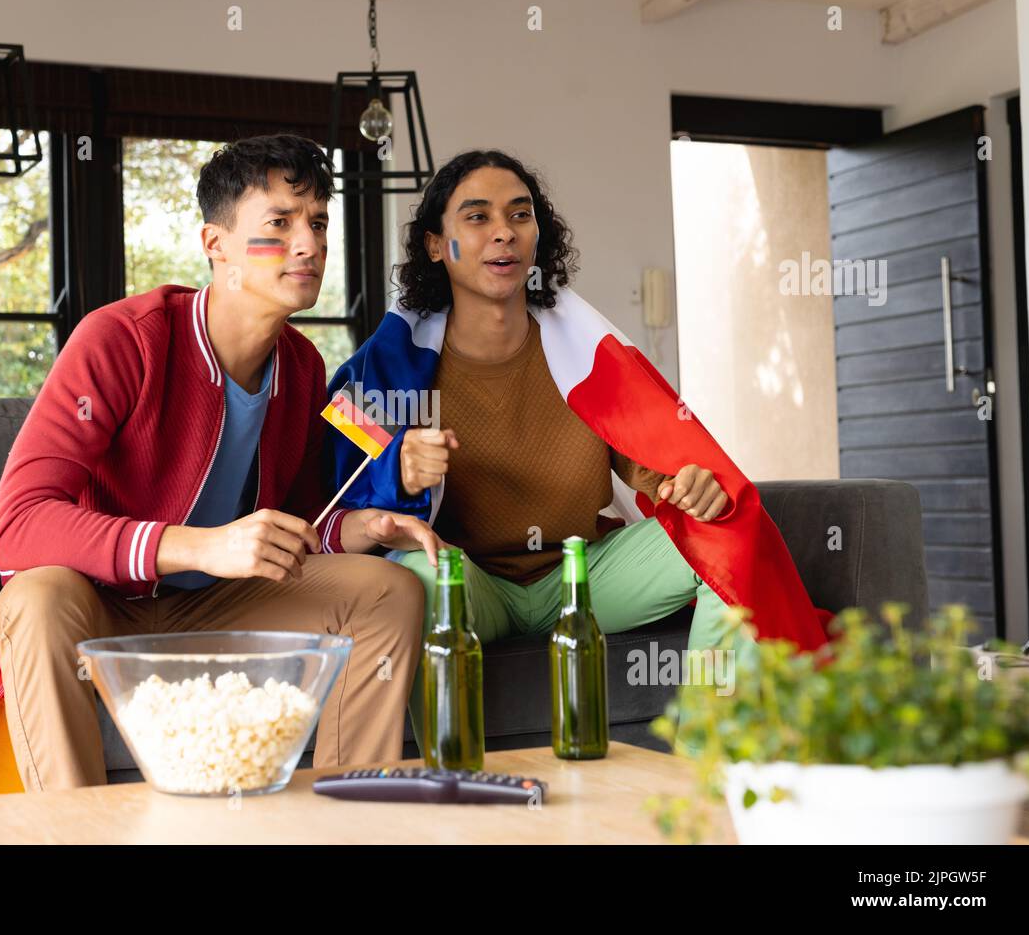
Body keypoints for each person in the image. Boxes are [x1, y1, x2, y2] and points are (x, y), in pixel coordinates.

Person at [325, 149, 831, 747]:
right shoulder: (379, 369)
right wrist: (398, 473)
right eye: (478, 217)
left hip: (580, 572)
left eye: (520, 214)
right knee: (412, 579)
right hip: (471, 582)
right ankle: (450, 782)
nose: (504, 232)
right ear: (436, 245)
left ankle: (708, 756)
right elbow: (337, 502)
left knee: (728, 531)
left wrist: (688, 483)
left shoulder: (591, 351)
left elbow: (656, 464)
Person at [0, 134, 441, 791]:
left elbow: (298, 520)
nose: (309, 243)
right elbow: (14, 526)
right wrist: (202, 545)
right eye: (279, 224)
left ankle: (356, 818)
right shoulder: (119, 340)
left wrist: (360, 528)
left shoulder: (305, 365)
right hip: (102, 606)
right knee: (34, 596)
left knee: (386, 590)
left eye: (316, 222)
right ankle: (73, 834)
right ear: (215, 244)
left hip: (218, 609)